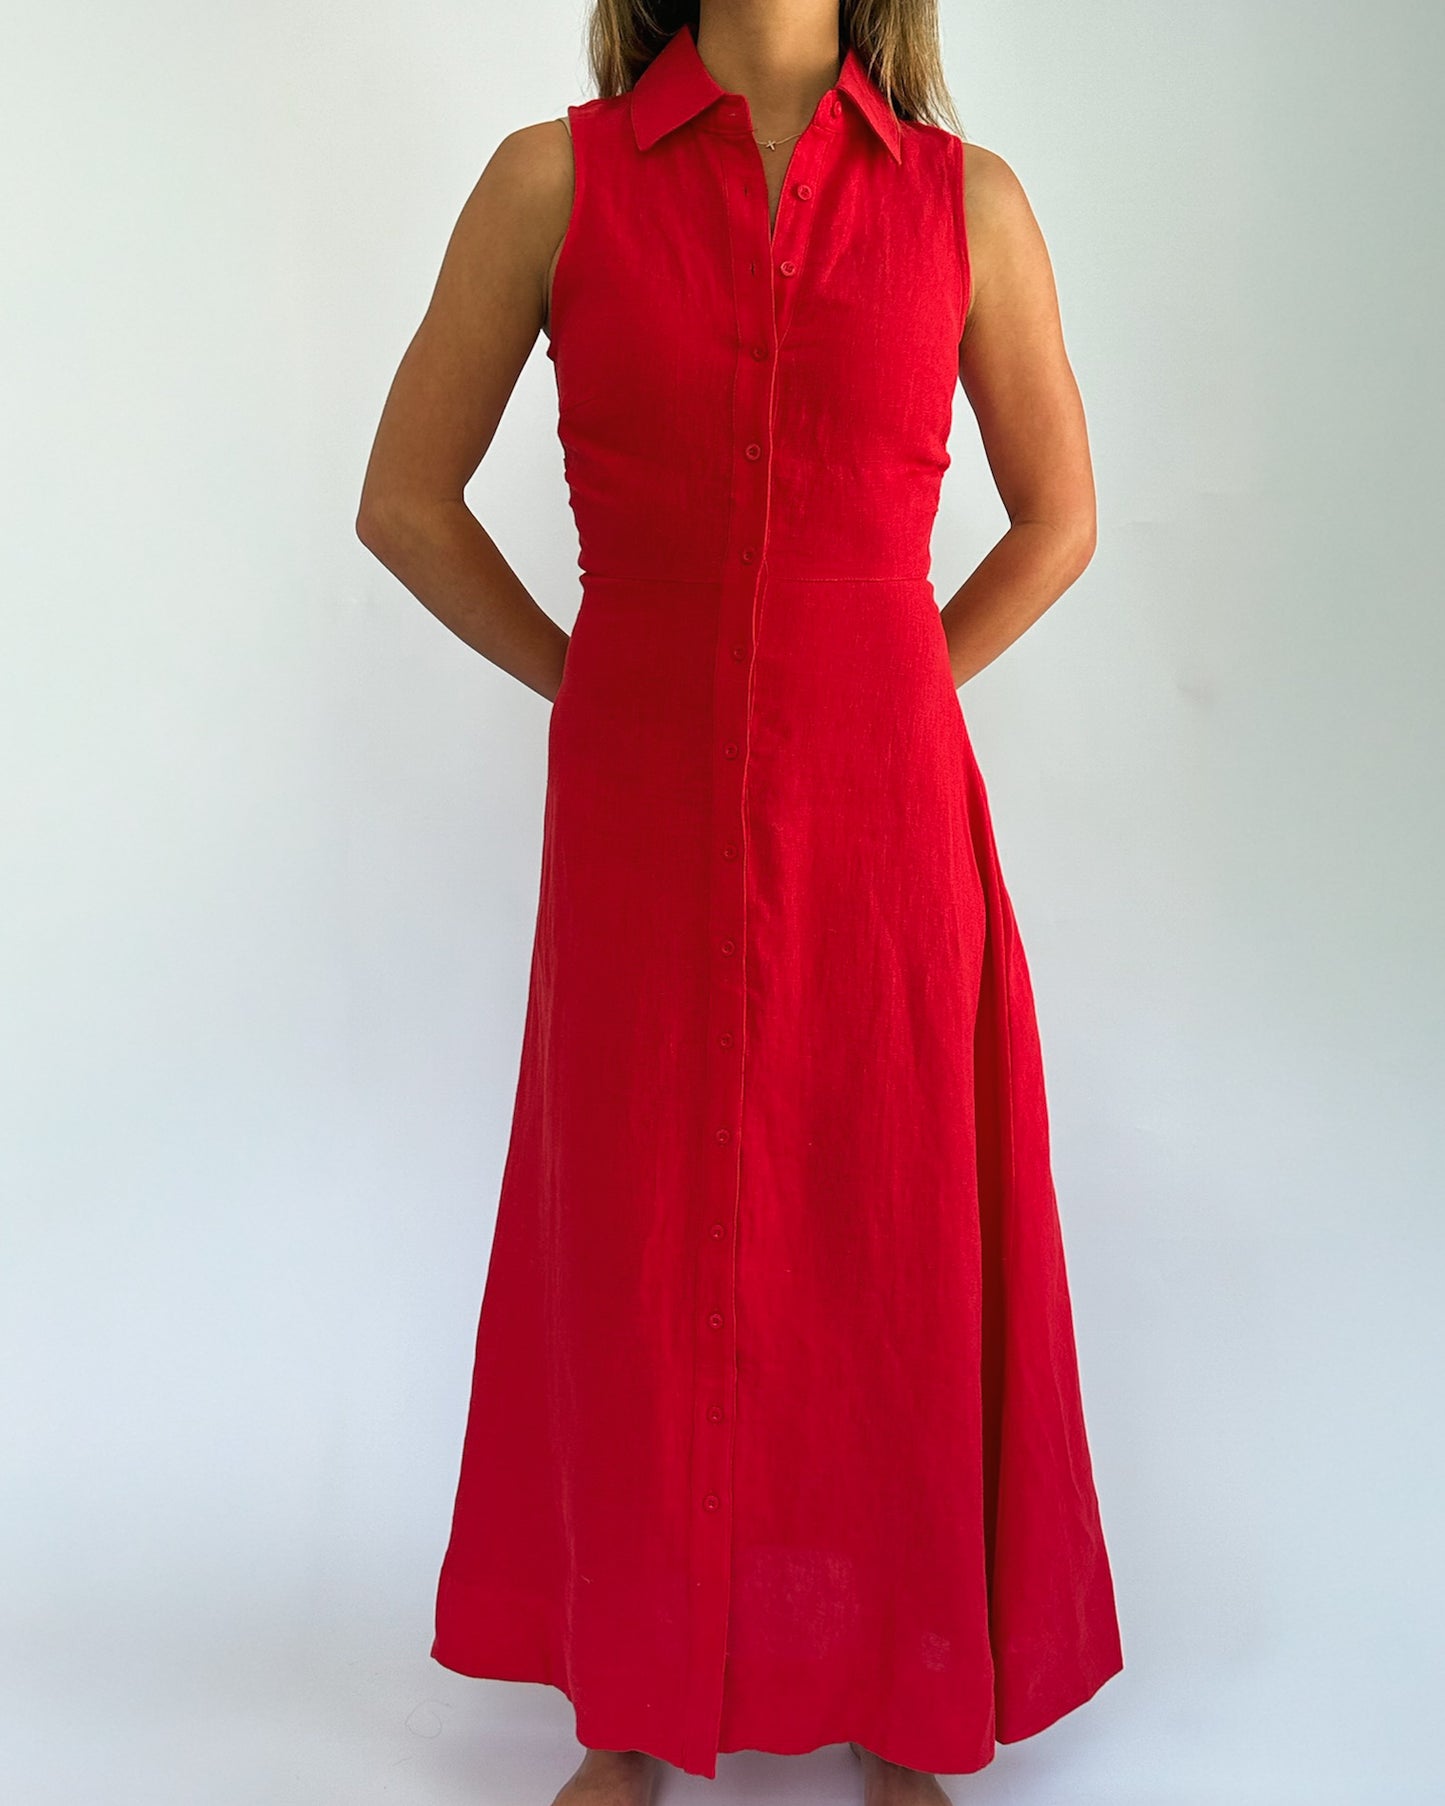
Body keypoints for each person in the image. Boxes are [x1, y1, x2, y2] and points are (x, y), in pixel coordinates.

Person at [356, 3, 1124, 1802]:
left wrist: (887, 676)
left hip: (886, 820)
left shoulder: (968, 205)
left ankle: (900, 1701)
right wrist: (591, 678)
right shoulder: (556, 183)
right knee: (635, 1233)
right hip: (636, 810)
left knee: (885, 1238)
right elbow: (404, 500)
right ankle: (624, 1711)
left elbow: (1058, 514)